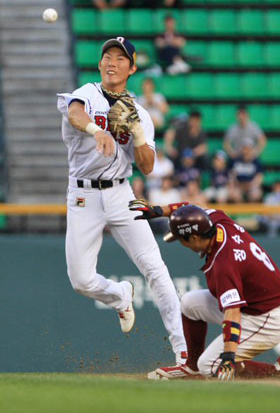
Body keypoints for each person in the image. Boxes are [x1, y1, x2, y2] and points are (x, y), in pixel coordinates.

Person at [57, 36, 186, 364]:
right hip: (82, 194)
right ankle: (118, 295)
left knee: (155, 267)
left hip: (120, 193)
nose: (112, 62)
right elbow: (74, 113)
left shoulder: (141, 114)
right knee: (81, 280)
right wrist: (96, 131)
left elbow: (147, 166)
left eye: (120, 58)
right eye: (107, 57)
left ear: (132, 67)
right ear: (100, 64)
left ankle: (184, 352)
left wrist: (139, 134)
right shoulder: (87, 93)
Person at [128, 200, 280, 380]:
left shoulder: (224, 263)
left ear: (194, 238)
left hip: (265, 318)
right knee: (190, 303)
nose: (180, 243)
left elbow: (232, 312)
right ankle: (191, 368)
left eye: (181, 239)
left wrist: (229, 356)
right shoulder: (216, 220)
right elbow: (190, 208)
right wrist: (160, 210)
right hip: (254, 304)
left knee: (209, 365)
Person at [228, 138, 263, 203]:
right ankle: (238, 211)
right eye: (245, 148)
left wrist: (252, 185)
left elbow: (259, 177)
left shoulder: (256, 161)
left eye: (249, 148)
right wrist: (234, 185)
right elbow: (231, 175)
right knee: (234, 194)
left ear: (252, 149)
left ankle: (253, 212)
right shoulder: (235, 161)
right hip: (238, 185)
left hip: (251, 185)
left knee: (256, 194)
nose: (247, 151)